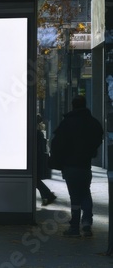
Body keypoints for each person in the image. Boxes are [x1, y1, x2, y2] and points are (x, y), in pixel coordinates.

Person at [50, 95, 103, 237]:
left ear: (73, 106)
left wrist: (57, 159)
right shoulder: (92, 123)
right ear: (85, 105)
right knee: (85, 192)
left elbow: (57, 144)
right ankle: (87, 222)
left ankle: (74, 227)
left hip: (70, 165)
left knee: (74, 196)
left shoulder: (67, 123)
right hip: (85, 165)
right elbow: (99, 136)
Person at [36, 114, 56, 206]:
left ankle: (48, 195)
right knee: (36, 180)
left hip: (36, 159)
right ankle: (47, 195)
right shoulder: (39, 133)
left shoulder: (36, 134)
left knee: (35, 180)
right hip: (39, 159)